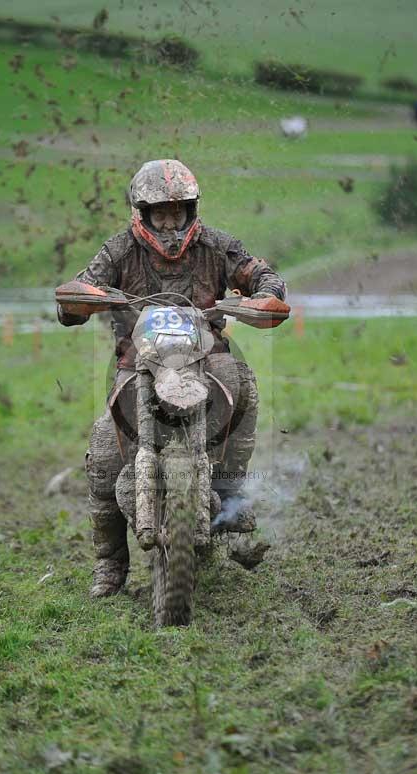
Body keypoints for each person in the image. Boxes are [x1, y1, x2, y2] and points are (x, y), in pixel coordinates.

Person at [57, 159, 288, 597]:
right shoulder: (118, 251)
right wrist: (78, 302)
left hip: (208, 358)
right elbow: (78, 291)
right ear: (141, 214)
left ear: (190, 211)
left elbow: (261, 272)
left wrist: (266, 294)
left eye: (177, 212)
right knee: (104, 457)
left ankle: (231, 491)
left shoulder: (217, 245)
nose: (169, 222)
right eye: (160, 213)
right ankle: (109, 566)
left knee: (244, 384)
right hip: (136, 365)